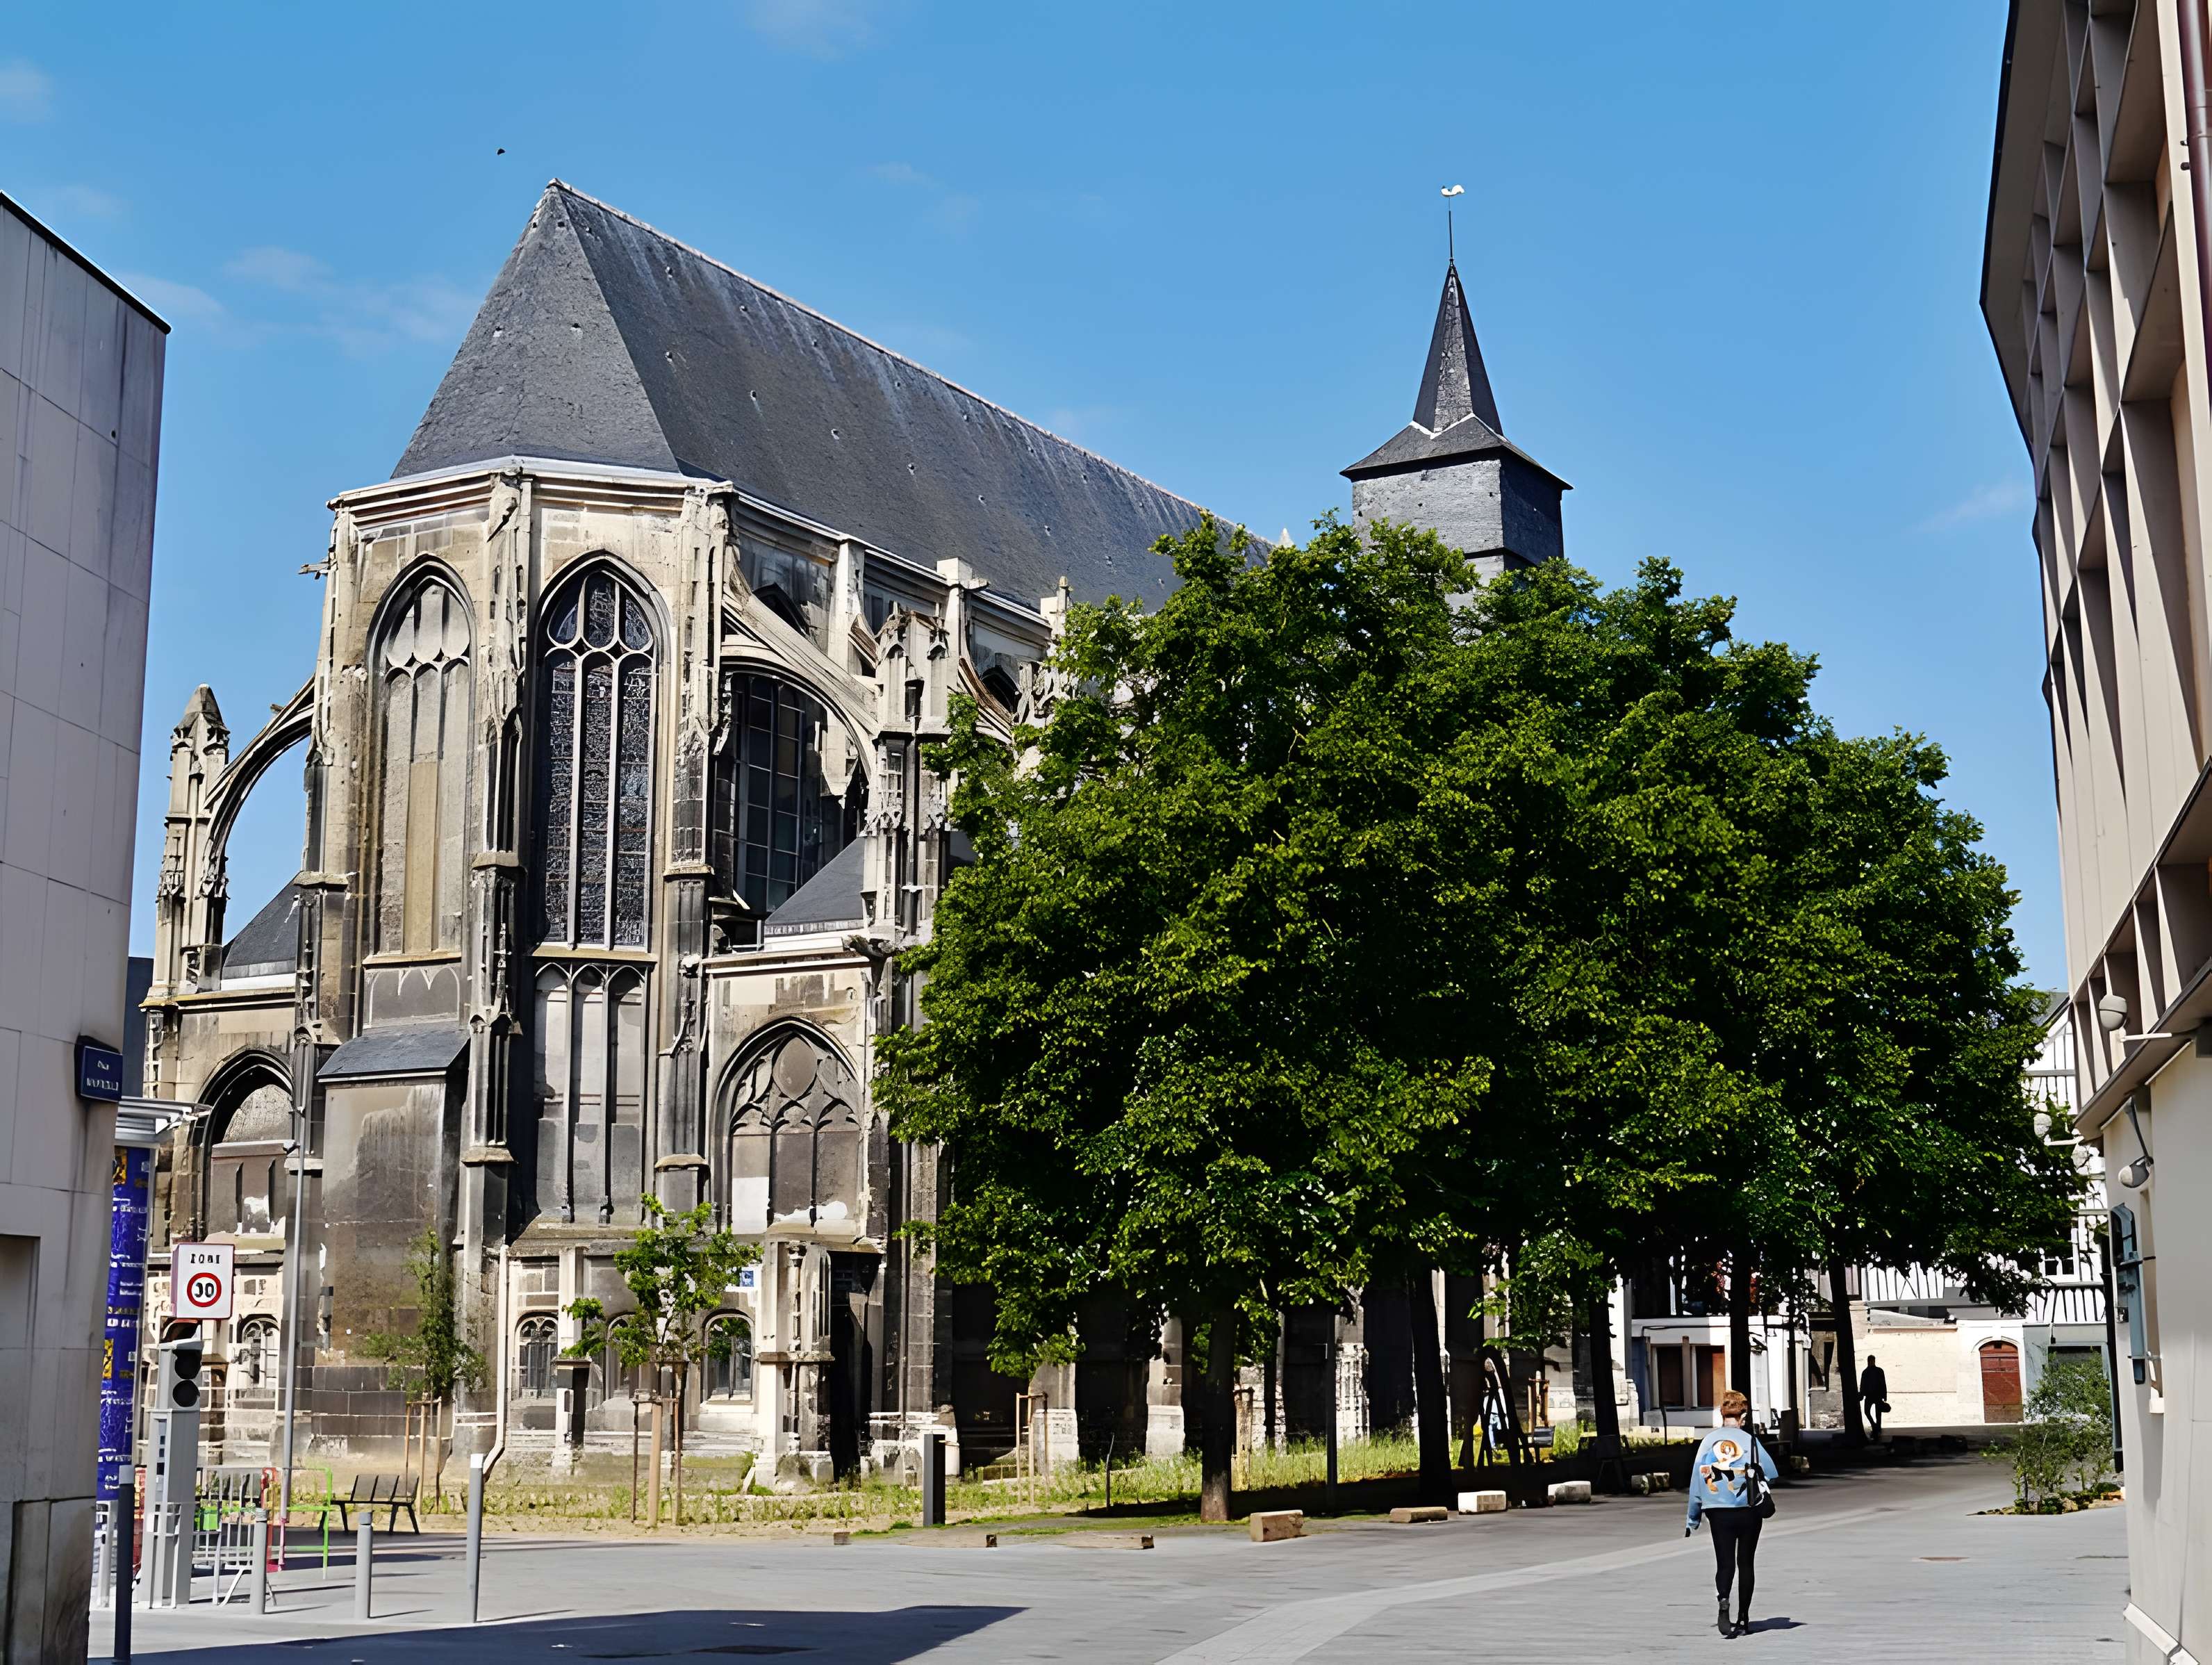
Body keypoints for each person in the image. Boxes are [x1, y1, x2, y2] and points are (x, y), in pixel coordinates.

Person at [1685, 1388, 1779, 1638]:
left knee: (1725, 1563)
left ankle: (1724, 1601)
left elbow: (1696, 1481)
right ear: (1743, 1417)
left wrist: (1692, 1517)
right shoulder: (1750, 1441)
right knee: (1746, 1563)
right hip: (1748, 1511)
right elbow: (1772, 1472)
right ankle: (1744, 1618)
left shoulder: (1708, 1442)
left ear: (1721, 1414)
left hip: (1718, 1511)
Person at [1859, 1355, 1890, 1436]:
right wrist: (1884, 1395)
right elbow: (1863, 1385)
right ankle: (1875, 1426)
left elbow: (1883, 1383)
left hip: (1874, 1396)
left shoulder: (1869, 1372)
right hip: (1873, 1396)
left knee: (1875, 1413)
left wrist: (1885, 1395)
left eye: (1872, 1360)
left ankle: (1876, 1427)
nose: (1871, 1362)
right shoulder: (1872, 1371)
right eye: (1871, 1360)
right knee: (1869, 1412)